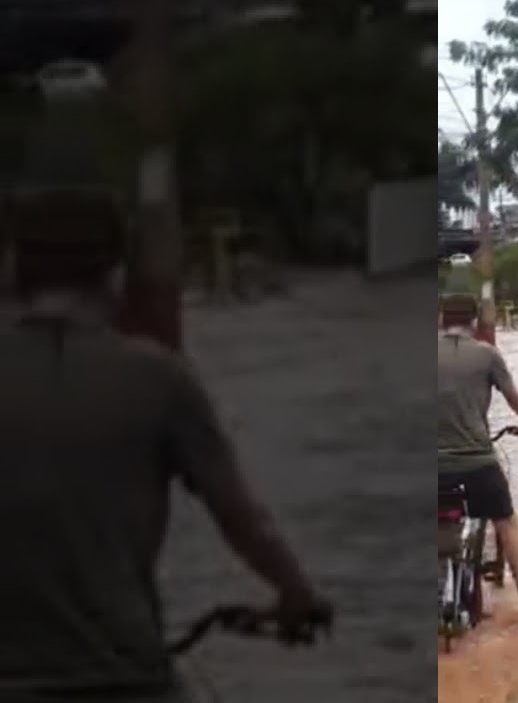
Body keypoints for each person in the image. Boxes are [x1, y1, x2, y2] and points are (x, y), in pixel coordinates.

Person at [0, 188, 333, 701]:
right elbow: (241, 518)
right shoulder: (157, 377)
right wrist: (297, 594)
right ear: (115, 273)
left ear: (15, 268)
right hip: (122, 671)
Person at [438, 293, 518, 635]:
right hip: (477, 462)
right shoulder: (487, 355)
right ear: (473, 323)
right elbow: (514, 398)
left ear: (441, 319)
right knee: (507, 526)